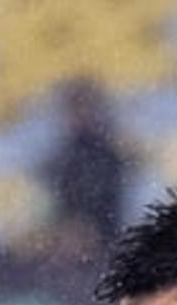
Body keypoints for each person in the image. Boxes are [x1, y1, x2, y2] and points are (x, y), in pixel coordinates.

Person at [40, 78, 130, 263]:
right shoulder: (61, 154)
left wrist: (89, 226)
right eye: (74, 110)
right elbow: (56, 198)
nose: (79, 116)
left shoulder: (109, 154)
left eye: (84, 108)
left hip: (103, 238)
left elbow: (109, 197)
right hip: (77, 236)